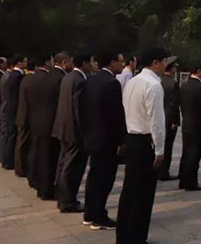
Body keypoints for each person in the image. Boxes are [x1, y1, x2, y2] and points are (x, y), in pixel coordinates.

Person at [116, 48, 166, 244]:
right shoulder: (153, 85)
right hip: (145, 142)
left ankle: (124, 235)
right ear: (155, 62)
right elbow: (157, 121)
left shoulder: (132, 82)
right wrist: (160, 150)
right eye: (163, 62)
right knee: (143, 194)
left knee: (129, 191)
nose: (164, 66)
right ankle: (137, 237)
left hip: (132, 138)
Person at [80, 51, 126, 230]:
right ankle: (99, 216)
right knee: (104, 179)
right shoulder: (111, 83)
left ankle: (90, 213)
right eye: (121, 61)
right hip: (107, 140)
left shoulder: (90, 80)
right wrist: (121, 141)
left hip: (92, 137)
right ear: (112, 62)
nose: (122, 65)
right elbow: (115, 116)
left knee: (93, 177)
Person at [52, 53, 87, 213]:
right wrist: (85, 132)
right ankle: (67, 201)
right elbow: (79, 110)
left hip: (63, 127)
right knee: (72, 167)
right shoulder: (79, 80)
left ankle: (61, 197)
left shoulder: (68, 77)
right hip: (74, 131)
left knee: (63, 163)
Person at [28, 52, 65, 200]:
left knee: (39, 155)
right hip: (50, 122)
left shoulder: (34, 78)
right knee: (49, 158)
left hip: (36, 120)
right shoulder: (56, 79)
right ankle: (47, 189)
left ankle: (38, 184)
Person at [178, 64, 201, 191]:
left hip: (187, 123)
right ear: (198, 71)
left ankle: (183, 179)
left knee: (186, 153)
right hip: (197, 126)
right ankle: (191, 181)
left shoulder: (184, 86)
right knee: (194, 154)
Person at [15, 59, 41, 182]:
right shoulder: (31, 80)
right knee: (24, 143)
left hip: (23, 114)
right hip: (27, 115)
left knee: (22, 142)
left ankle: (21, 167)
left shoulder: (25, 79)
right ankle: (21, 168)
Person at [0, 55, 26, 170]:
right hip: (14, 109)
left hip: (9, 108)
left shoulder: (10, 75)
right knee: (12, 135)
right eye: (24, 61)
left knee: (10, 134)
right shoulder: (17, 76)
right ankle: (9, 161)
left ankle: (6, 159)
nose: (26, 63)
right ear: (19, 63)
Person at [158, 57, 181, 181]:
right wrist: (175, 121)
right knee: (168, 146)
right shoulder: (173, 83)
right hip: (169, 118)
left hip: (160, 117)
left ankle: (158, 169)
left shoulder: (159, 80)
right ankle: (164, 171)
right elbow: (174, 104)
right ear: (172, 69)